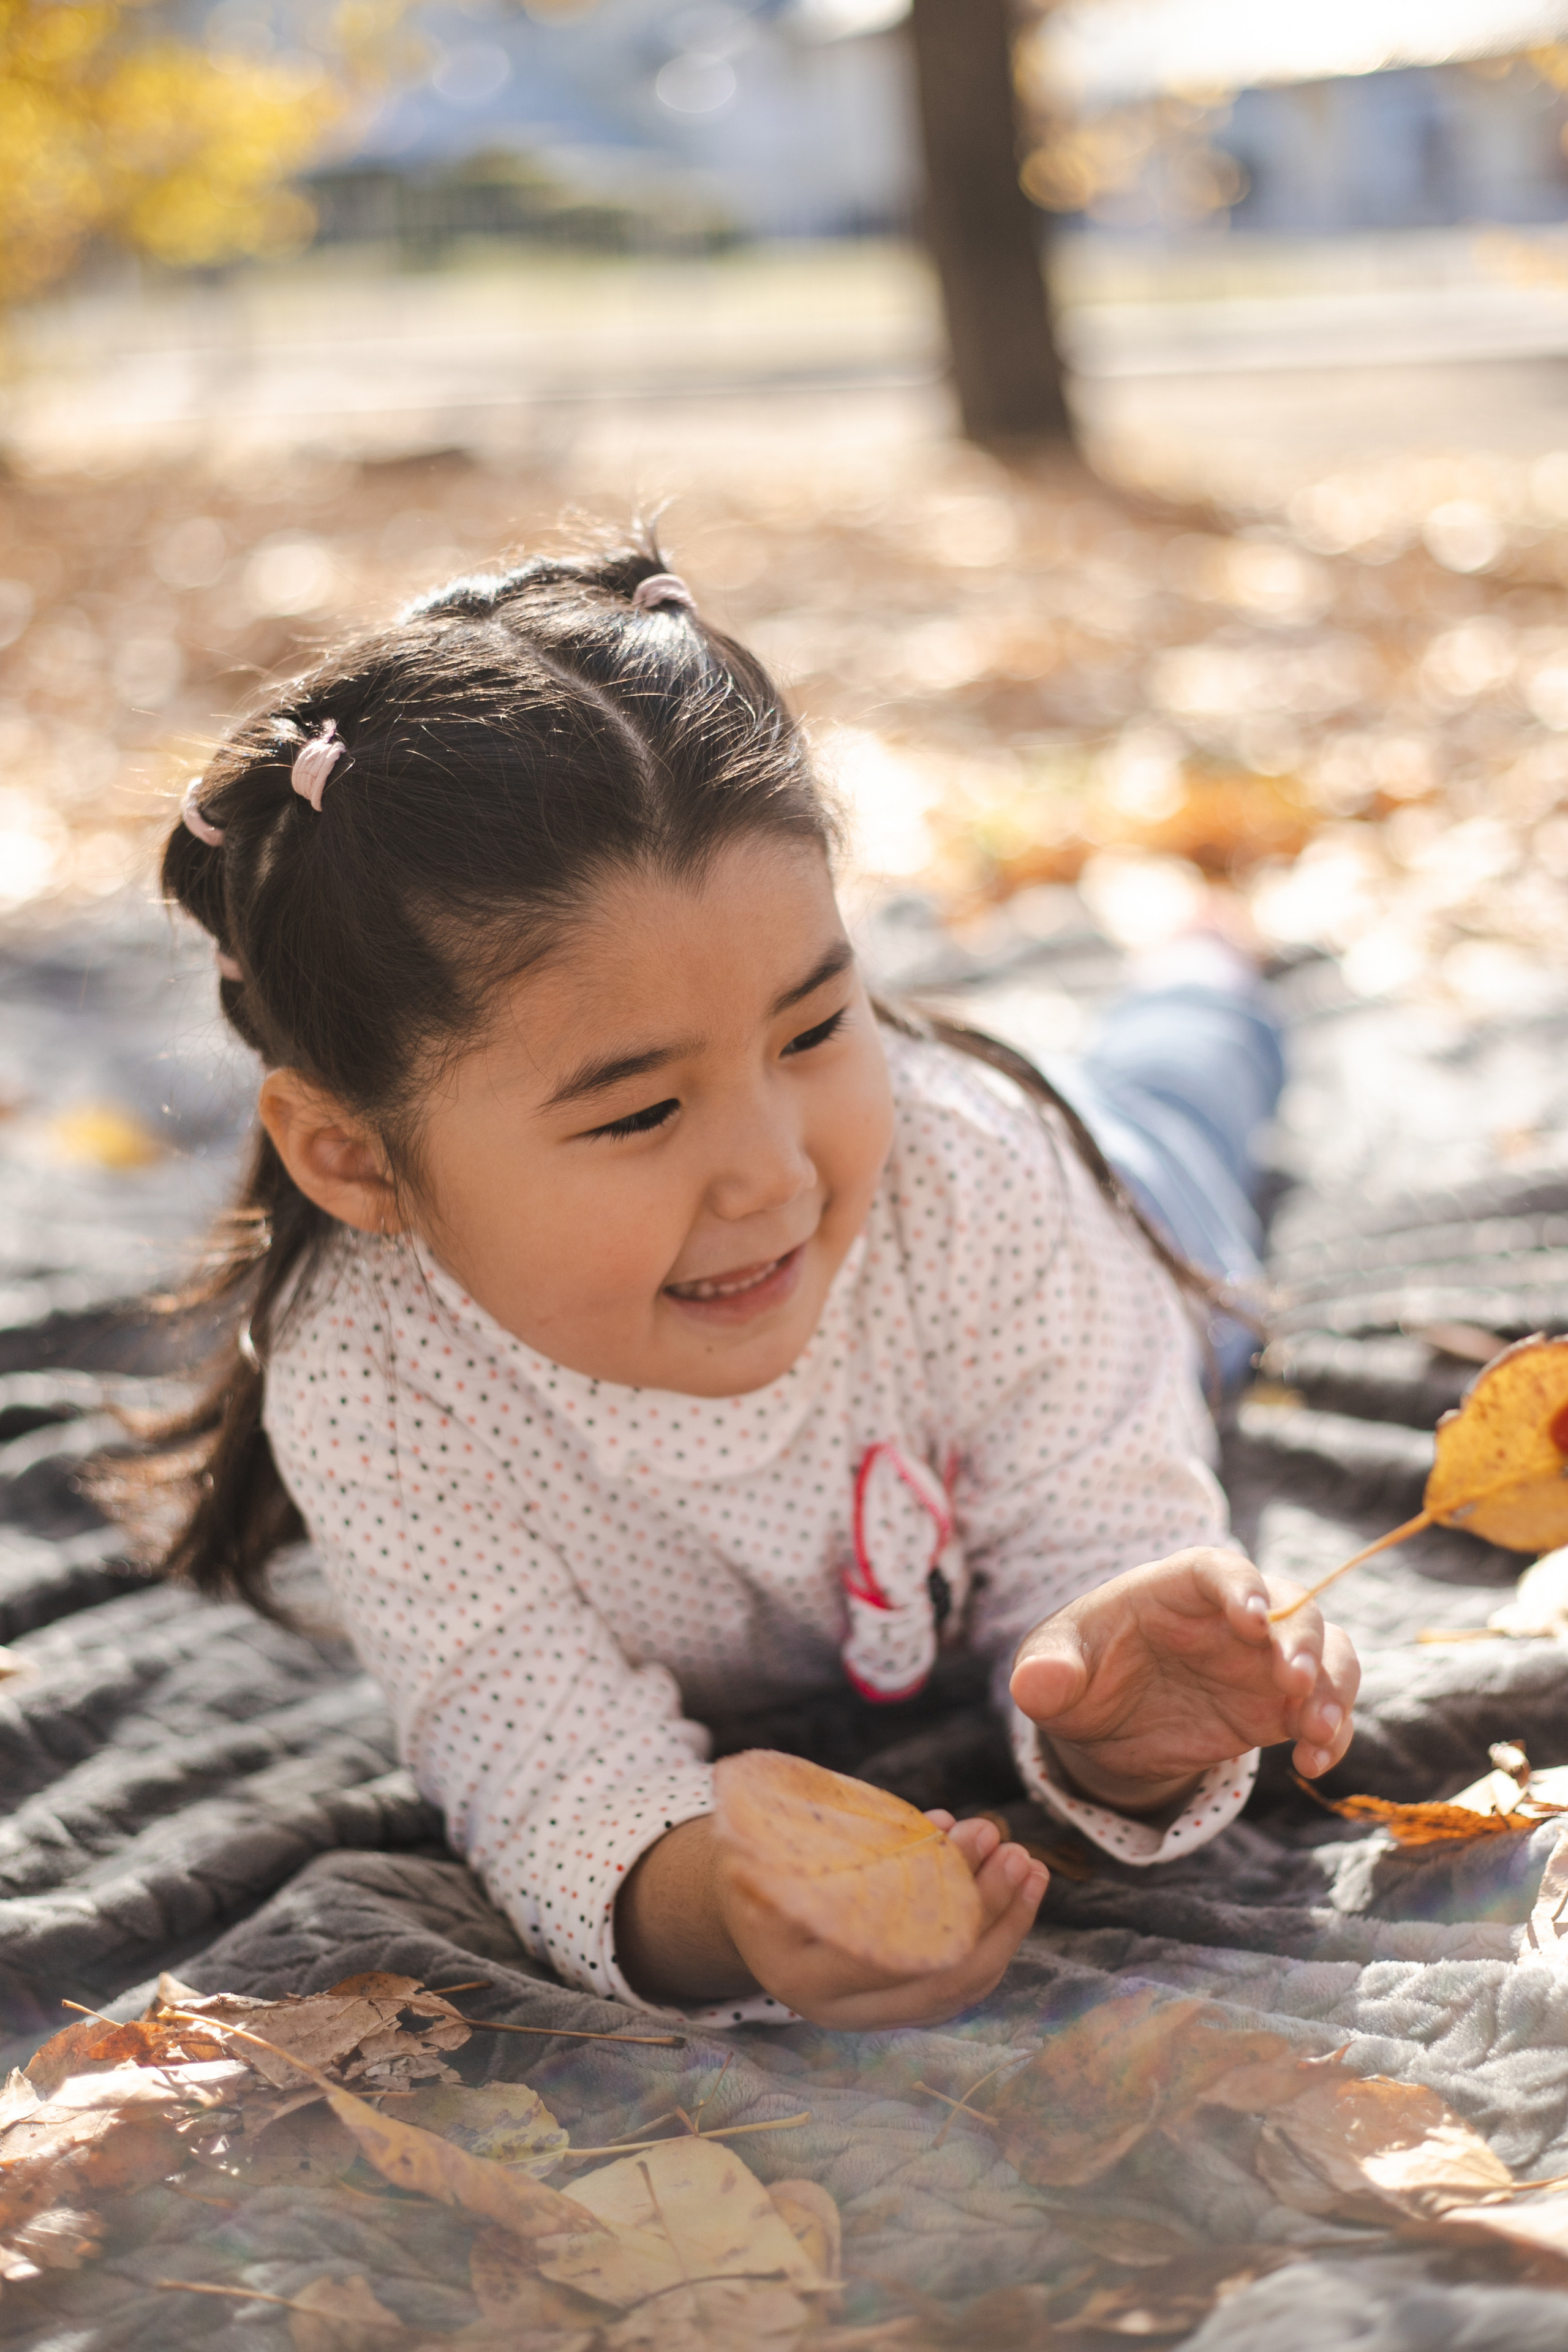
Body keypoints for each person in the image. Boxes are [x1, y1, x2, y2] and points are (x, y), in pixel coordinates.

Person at [151, 541, 1359, 2032]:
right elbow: (546, 1778)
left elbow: (1099, 1552)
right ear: (353, 1159)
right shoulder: (377, 1375)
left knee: (1180, 1087)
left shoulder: (971, 1176)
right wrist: (731, 1907)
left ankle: (1201, 951)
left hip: (1123, 1210)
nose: (770, 1176)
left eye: (811, 1026)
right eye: (639, 1112)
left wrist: (1128, 1725)